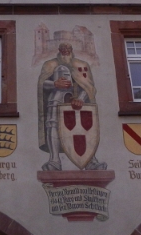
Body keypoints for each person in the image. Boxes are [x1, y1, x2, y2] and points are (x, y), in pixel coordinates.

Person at [37, 43, 106, 171]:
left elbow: (89, 86)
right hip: (56, 100)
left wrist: (80, 98)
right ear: (59, 50)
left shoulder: (81, 65)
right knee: (52, 124)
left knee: (84, 128)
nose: (65, 51)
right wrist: (54, 83)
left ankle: (91, 161)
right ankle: (54, 161)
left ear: (71, 50)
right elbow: (42, 83)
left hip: (80, 101)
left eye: (68, 49)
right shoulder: (50, 64)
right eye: (63, 49)